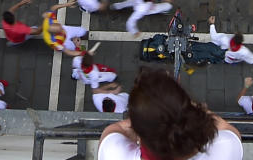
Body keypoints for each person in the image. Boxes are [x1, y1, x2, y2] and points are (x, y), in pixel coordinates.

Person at [97, 68, 243, 160]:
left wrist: (151, 114)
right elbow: (228, 130)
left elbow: (116, 130)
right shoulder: (226, 148)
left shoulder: (112, 152)